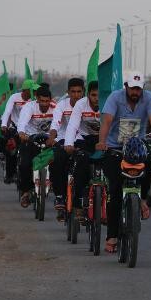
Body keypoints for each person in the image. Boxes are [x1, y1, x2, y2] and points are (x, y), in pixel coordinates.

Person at [95, 71, 151, 253]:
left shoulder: (148, 98)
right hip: (114, 148)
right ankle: (112, 236)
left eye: (139, 89)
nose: (136, 93)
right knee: (115, 191)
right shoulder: (115, 98)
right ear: (125, 87)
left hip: (137, 147)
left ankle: (141, 199)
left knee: (149, 163)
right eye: (132, 89)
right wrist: (102, 142)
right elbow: (107, 121)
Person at [46, 78, 85, 218]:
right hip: (62, 140)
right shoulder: (62, 105)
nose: (76, 95)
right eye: (73, 92)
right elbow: (55, 123)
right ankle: (60, 196)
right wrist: (51, 138)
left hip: (81, 140)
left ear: (83, 92)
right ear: (68, 92)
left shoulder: (86, 104)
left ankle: (84, 198)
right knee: (56, 161)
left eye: (79, 92)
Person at [64, 80, 101, 223]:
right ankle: (79, 203)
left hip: (102, 141)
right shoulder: (80, 104)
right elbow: (72, 125)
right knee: (82, 163)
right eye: (93, 95)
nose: (97, 98)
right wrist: (68, 143)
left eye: (99, 95)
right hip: (84, 139)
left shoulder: (108, 104)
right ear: (88, 95)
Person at [17, 85, 56, 208]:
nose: (45, 104)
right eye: (42, 101)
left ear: (51, 99)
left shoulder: (56, 108)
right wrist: (22, 133)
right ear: (37, 99)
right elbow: (22, 122)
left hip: (49, 139)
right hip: (31, 138)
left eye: (47, 101)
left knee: (59, 162)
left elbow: (61, 123)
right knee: (25, 164)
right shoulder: (29, 107)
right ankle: (26, 192)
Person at [0, 79, 38, 183]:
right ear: (25, 90)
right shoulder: (14, 97)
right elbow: (7, 111)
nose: (34, 93)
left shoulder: (34, 100)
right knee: (11, 149)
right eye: (32, 90)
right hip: (15, 126)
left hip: (28, 129)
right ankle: (9, 174)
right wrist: (3, 125)